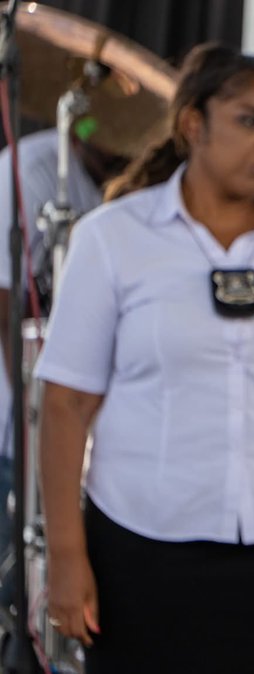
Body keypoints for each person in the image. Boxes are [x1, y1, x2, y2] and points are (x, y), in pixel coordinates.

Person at [34, 44, 254, 673]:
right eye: (249, 120)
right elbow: (66, 404)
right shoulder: (113, 237)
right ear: (192, 124)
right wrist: (66, 551)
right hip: (144, 547)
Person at [0, 128, 127, 608]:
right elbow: (7, 299)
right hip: (20, 420)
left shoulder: (128, 183)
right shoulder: (31, 171)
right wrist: (36, 419)